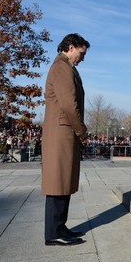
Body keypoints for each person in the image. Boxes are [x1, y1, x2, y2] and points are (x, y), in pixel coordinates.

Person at [41, 33, 90, 246]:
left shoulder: (66, 67)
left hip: (64, 131)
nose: (83, 58)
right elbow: (69, 105)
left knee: (64, 180)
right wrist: (82, 131)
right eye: (82, 53)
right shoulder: (62, 67)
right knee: (58, 181)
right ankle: (53, 233)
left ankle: (59, 227)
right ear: (71, 47)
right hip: (62, 131)